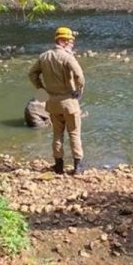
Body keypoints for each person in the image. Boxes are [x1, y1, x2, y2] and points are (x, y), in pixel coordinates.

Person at [28, 26, 86, 175]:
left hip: (52, 102)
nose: (72, 44)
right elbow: (80, 76)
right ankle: (78, 167)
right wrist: (78, 92)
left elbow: (32, 74)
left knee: (57, 134)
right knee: (74, 133)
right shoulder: (68, 57)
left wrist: (42, 93)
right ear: (62, 41)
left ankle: (58, 167)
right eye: (70, 41)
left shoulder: (44, 56)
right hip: (69, 101)